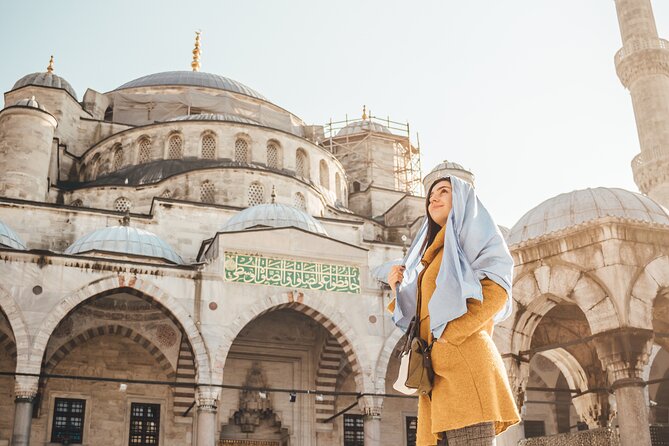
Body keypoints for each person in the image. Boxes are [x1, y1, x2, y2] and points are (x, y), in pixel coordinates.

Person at [387, 175, 520, 446]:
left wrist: (449, 336)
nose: (433, 198)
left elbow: (496, 290)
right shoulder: (434, 253)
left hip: (465, 366)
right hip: (437, 372)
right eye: (431, 194)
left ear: (460, 200)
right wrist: (398, 287)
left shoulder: (472, 241)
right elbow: (422, 312)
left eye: (443, 192)